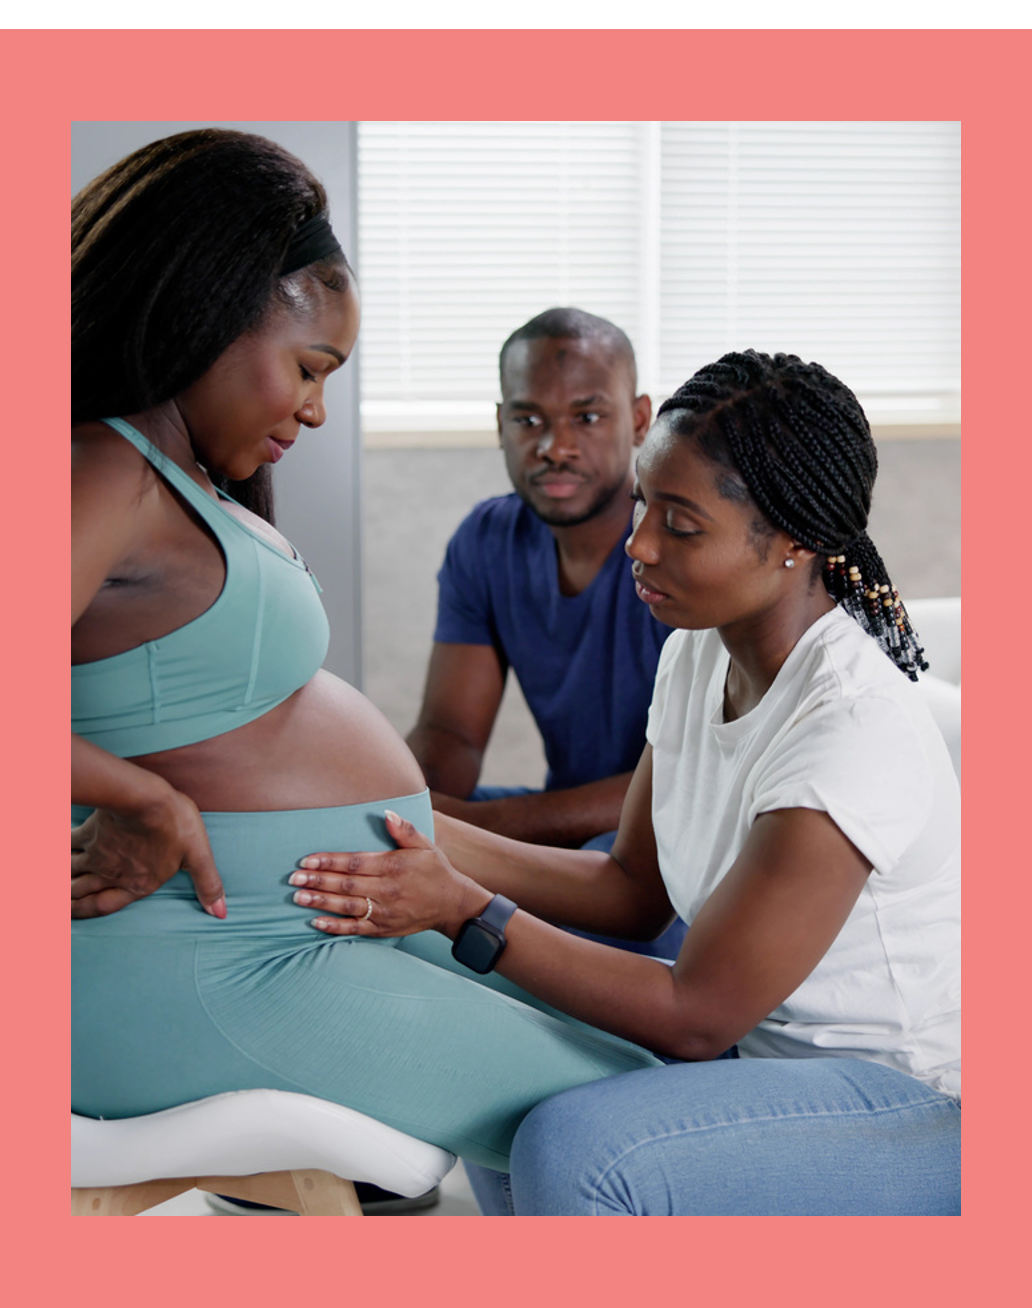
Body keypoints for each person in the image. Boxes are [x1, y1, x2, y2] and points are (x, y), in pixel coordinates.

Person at [71, 129, 667, 1185]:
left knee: (658, 1073)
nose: (315, 408)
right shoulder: (102, 467)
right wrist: (140, 799)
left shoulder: (174, 474)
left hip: (297, 915)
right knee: (639, 1129)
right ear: (208, 312)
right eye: (308, 368)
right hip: (212, 954)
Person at [293, 350, 961, 1215]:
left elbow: (698, 1013)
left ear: (795, 540)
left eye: (680, 525)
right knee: (502, 1072)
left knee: (573, 1151)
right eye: (646, 504)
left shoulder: (850, 726)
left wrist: (462, 907)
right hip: (752, 1061)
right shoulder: (697, 649)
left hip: (909, 1110)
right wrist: (411, 827)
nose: (637, 544)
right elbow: (630, 890)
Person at [408, 308, 667, 851]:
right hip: (571, 817)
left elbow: (689, 782)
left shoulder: (679, 548)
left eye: (588, 418)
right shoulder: (486, 540)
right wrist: (409, 812)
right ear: (500, 422)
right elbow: (451, 734)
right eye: (528, 420)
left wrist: (475, 830)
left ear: (640, 419)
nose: (555, 446)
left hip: (670, 832)